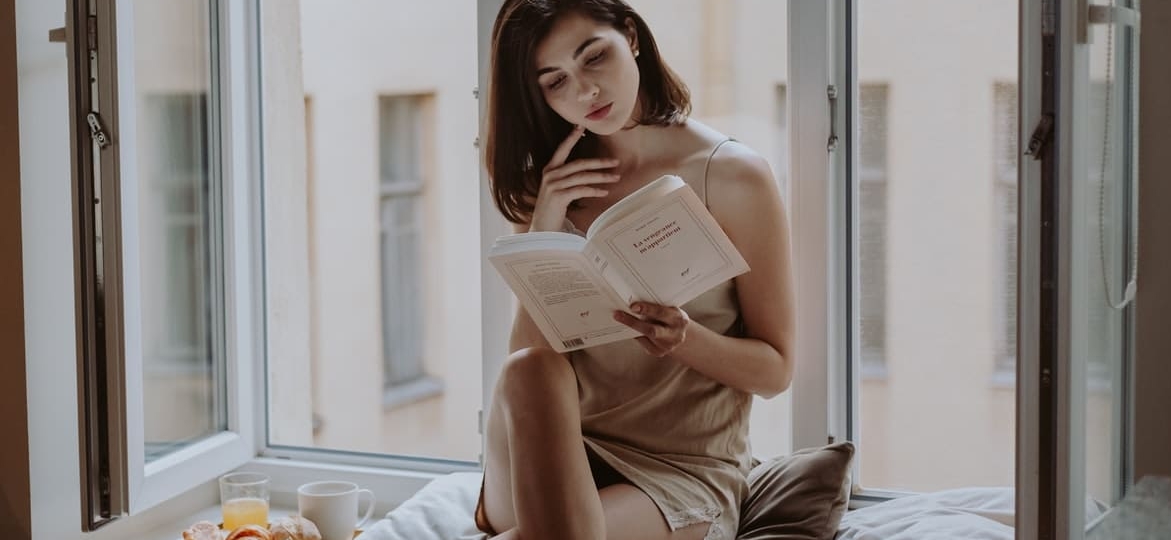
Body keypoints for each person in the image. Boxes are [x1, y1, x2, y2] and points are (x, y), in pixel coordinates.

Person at [478, 1, 795, 538]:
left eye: (594, 57)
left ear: (632, 36)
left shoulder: (734, 177)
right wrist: (547, 224)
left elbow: (775, 371)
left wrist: (684, 337)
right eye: (555, 82)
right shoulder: (549, 189)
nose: (585, 93)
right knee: (529, 370)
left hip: (679, 473)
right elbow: (527, 363)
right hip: (558, 450)